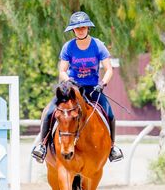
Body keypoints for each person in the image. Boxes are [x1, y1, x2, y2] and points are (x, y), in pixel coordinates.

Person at [32, 11, 123, 163]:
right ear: (73, 30)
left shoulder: (98, 45)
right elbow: (62, 70)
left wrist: (102, 84)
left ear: (88, 28)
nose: (80, 30)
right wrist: (70, 82)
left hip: (93, 88)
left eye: (83, 27)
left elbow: (109, 69)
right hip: (72, 88)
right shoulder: (68, 47)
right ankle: (42, 145)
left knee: (111, 115)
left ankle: (112, 147)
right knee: (49, 112)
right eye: (77, 28)